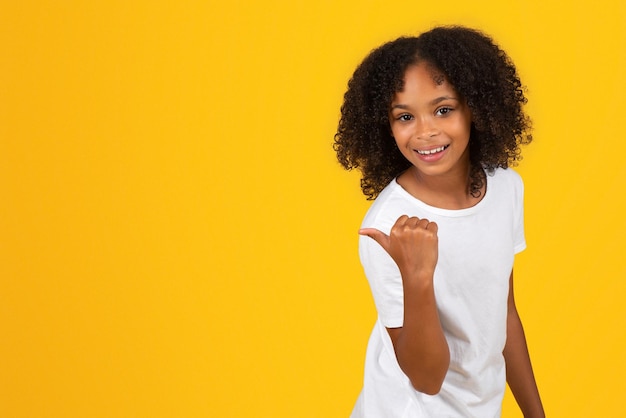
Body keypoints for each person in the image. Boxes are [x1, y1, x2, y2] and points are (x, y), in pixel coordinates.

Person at [334, 26, 545, 417]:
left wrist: (536, 414)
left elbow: (504, 313)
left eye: (443, 109)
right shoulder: (388, 227)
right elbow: (427, 379)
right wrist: (417, 276)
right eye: (405, 117)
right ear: (387, 126)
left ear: (475, 108)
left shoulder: (505, 189)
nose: (426, 131)